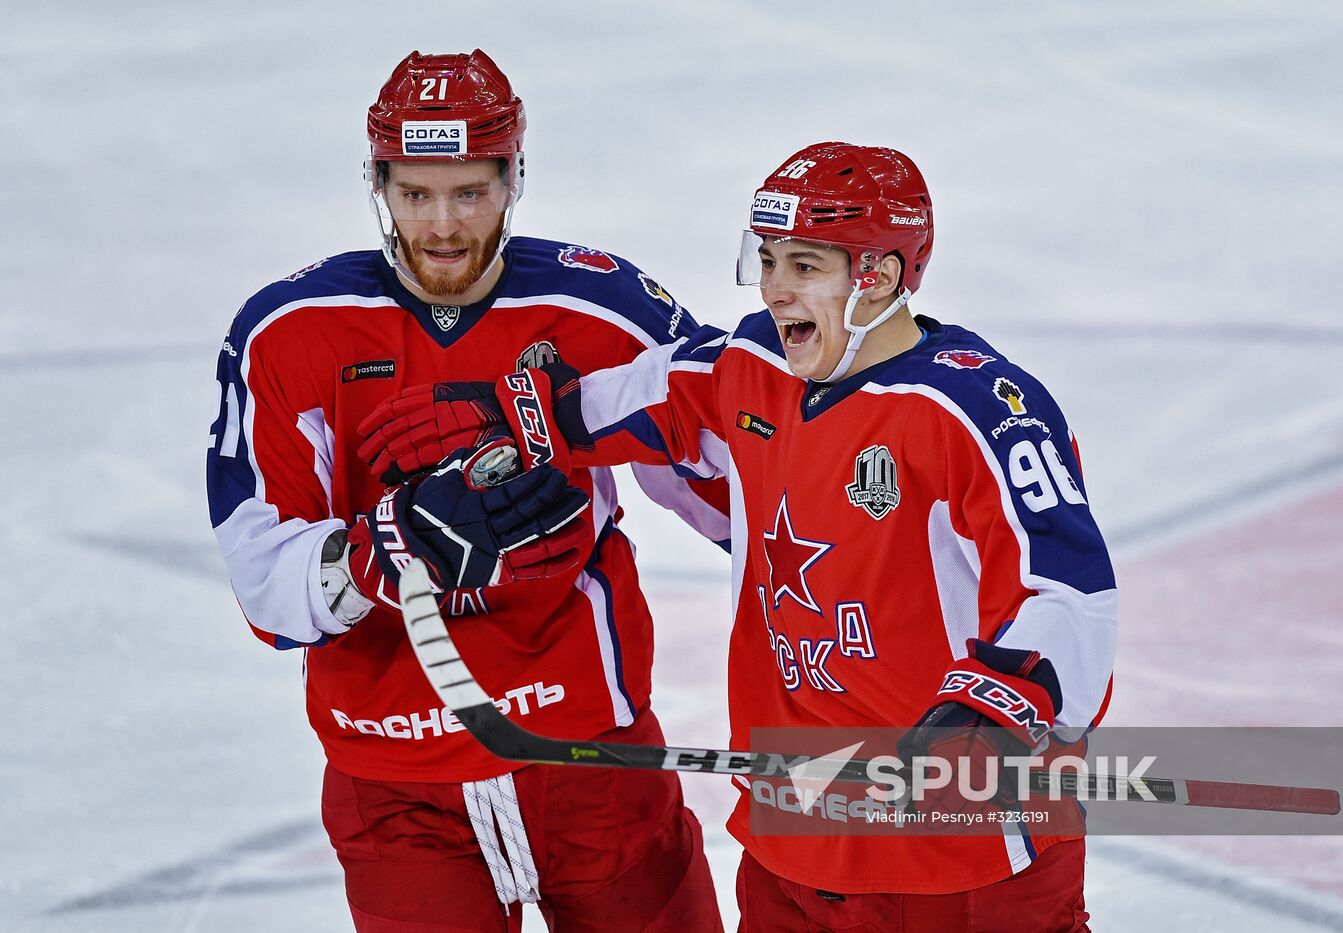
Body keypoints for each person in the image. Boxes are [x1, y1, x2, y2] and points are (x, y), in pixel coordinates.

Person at [365, 142, 1118, 930]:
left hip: (963, 848)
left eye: (805, 266)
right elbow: (643, 396)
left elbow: (1068, 590)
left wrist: (998, 706)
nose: (775, 288)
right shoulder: (752, 362)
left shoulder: (978, 408)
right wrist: (512, 415)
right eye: (767, 260)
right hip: (793, 842)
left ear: (880, 277)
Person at [206, 49, 727, 932]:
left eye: (470, 192)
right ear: (378, 184)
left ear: (513, 178)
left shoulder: (600, 310)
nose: (442, 225)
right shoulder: (287, 333)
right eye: (415, 194)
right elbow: (266, 584)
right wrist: (391, 546)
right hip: (394, 780)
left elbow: (738, 477)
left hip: (589, 756)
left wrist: (570, 410)